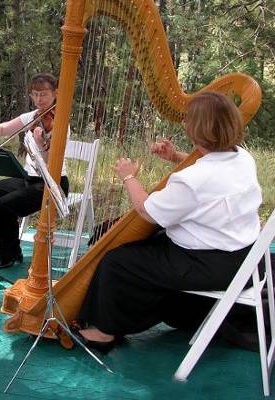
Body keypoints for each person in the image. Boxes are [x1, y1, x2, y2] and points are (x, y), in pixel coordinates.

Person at [76, 91, 262, 354]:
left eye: (188, 119)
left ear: (198, 127)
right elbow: (211, 164)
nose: (184, 123)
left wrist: (129, 177)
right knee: (141, 241)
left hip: (207, 264)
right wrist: (176, 157)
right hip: (245, 257)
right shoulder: (242, 157)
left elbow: (146, 211)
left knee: (117, 262)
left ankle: (102, 333)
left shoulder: (193, 179)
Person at [0, 73, 69, 269]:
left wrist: (41, 144)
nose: (38, 100)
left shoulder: (61, 125)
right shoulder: (32, 117)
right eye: (34, 95)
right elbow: (1, 129)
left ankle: (11, 254)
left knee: (3, 205)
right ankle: (1, 243)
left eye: (43, 94)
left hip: (52, 183)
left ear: (56, 94)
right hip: (29, 179)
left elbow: (51, 164)